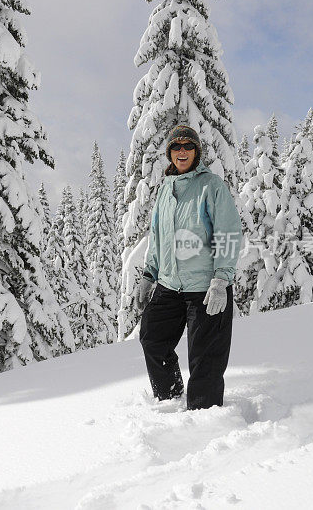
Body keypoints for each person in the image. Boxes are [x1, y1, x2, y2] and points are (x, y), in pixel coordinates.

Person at [136, 124, 242, 410]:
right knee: (152, 338)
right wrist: (150, 273)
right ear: (169, 152)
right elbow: (158, 237)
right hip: (170, 285)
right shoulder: (165, 189)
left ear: (197, 151)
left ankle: (203, 417)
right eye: (176, 147)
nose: (182, 152)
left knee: (205, 357)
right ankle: (170, 398)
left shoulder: (211, 186)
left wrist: (221, 279)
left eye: (188, 147)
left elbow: (229, 234)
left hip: (206, 288)